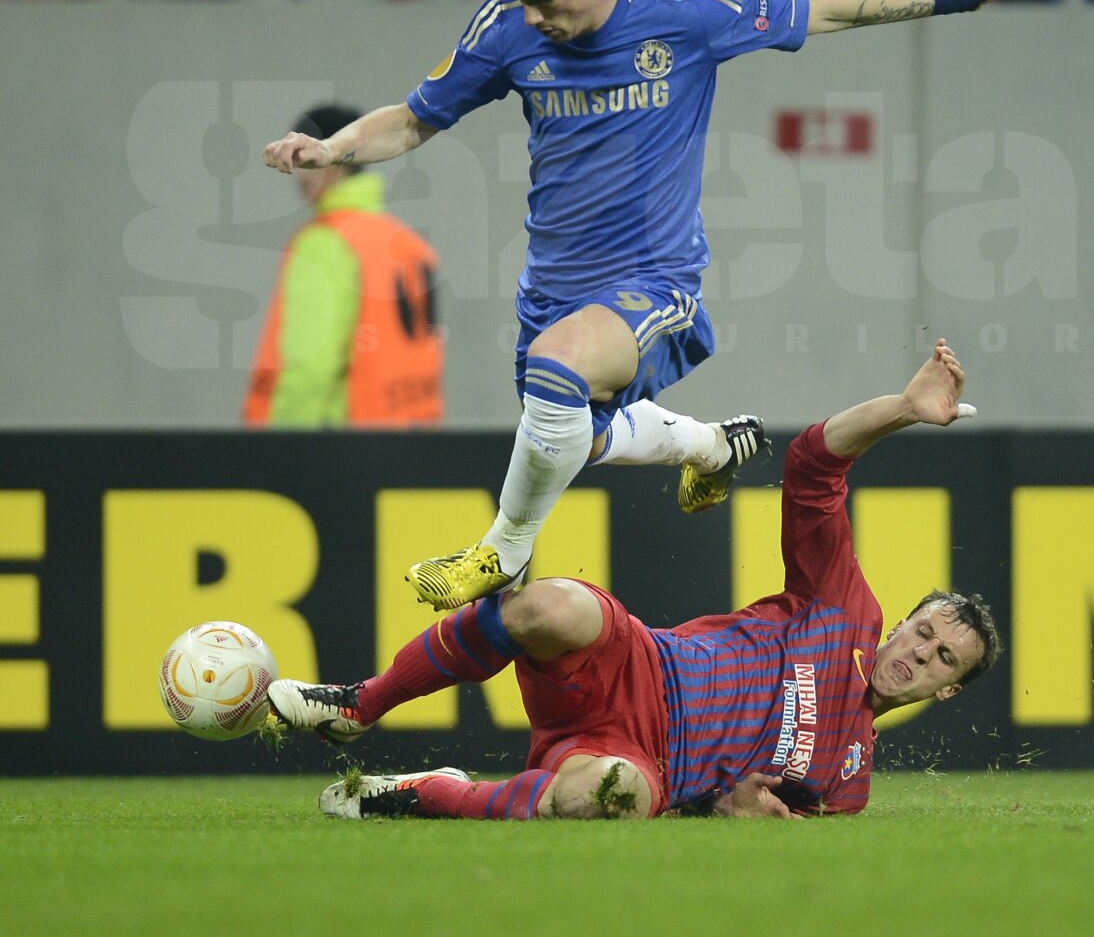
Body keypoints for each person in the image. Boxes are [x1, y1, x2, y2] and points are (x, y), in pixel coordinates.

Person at [262, 0, 1036, 612]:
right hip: (553, 289)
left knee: (558, 373)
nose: (530, 17)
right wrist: (331, 149)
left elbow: (827, 9)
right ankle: (709, 446)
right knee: (578, 436)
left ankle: (501, 546)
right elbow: (416, 118)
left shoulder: (685, 13)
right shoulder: (504, 26)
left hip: (653, 283)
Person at [267, 340, 1001, 821]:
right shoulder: (846, 612)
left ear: (946, 691)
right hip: (639, 663)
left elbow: (753, 819)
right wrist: (903, 411)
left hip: (648, 765)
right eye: (925, 631)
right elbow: (813, 465)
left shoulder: (850, 784)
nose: (919, 652)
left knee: (605, 799)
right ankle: (360, 703)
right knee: (547, 605)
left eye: (942, 660)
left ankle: (429, 794)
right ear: (903, 620)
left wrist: (724, 810)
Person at [245, 104, 444, 427]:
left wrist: (277, 453)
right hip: (415, 442)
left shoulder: (324, 243)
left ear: (337, 159)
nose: (298, 174)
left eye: (305, 159)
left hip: (344, 450)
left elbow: (309, 367)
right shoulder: (410, 245)